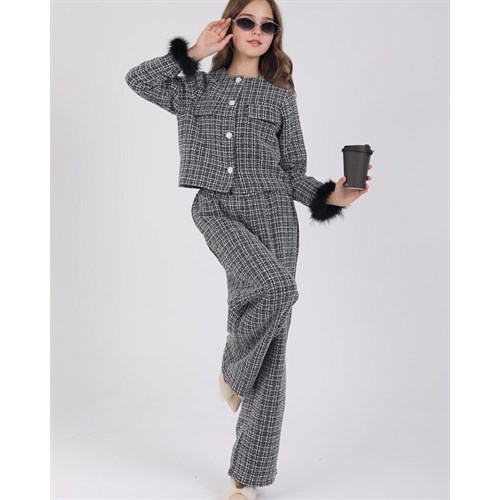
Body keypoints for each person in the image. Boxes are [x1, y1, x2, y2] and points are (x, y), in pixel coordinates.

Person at [125, 0, 373, 498]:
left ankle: (247, 477)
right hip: (217, 208)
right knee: (276, 289)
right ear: (230, 26)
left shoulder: (280, 97)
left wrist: (332, 196)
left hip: (275, 216)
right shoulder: (195, 87)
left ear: (275, 35)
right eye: (247, 21)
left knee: (274, 347)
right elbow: (138, 80)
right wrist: (196, 51)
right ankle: (234, 371)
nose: (257, 31)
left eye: (268, 25)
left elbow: (292, 172)